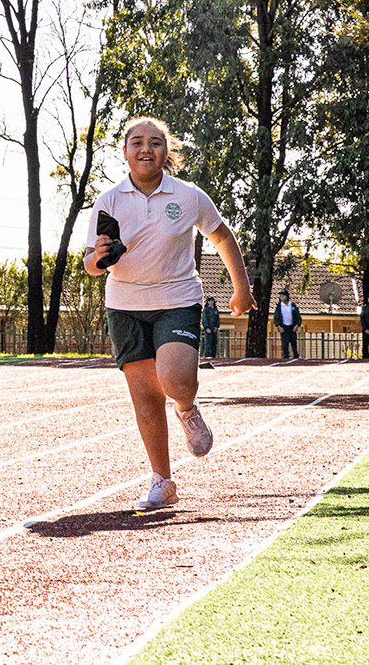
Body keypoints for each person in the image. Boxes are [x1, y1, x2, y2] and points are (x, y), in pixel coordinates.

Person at [85, 117, 255, 511]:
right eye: (137, 142)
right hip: (125, 305)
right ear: (125, 152)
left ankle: (186, 409)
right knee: (145, 398)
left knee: (176, 380)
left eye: (155, 142)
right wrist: (100, 258)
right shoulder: (109, 201)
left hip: (177, 299)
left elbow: (221, 235)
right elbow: (92, 262)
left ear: (167, 151)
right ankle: (163, 482)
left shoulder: (188, 195)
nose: (146, 149)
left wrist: (242, 288)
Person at [275, 289, 302, 359]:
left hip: (292, 327)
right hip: (284, 327)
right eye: (280, 296)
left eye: (283, 296)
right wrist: (278, 326)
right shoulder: (279, 306)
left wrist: (297, 325)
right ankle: (285, 356)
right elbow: (276, 317)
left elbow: (297, 316)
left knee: (294, 342)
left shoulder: (292, 305)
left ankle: (295, 356)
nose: (281, 297)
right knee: (285, 343)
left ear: (286, 296)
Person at [198, 296, 220, 368]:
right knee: (208, 343)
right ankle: (207, 356)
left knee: (214, 342)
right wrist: (206, 327)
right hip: (208, 329)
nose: (211, 302)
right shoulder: (206, 310)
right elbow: (204, 319)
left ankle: (213, 356)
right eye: (209, 301)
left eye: (212, 301)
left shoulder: (215, 309)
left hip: (214, 329)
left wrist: (216, 326)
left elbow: (218, 319)